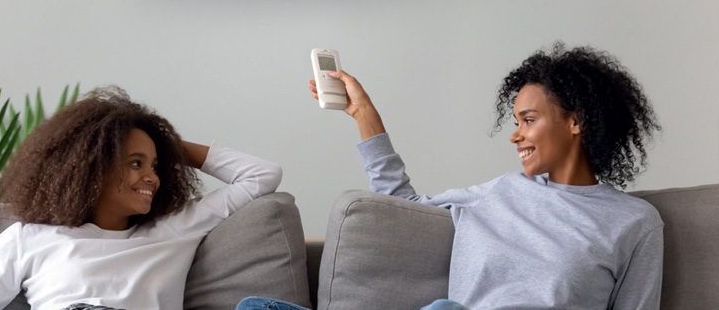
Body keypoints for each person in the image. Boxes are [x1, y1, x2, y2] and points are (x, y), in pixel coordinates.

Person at [238, 42, 663, 310]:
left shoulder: (633, 221)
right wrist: (363, 114)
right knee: (256, 308)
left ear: (577, 120)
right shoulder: (500, 193)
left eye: (528, 120)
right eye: (515, 121)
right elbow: (401, 209)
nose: (515, 135)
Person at [0, 87, 282, 310]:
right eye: (135, 163)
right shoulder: (31, 238)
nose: (152, 176)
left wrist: (167, 145)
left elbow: (261, 175)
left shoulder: (175, 228)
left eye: (156, 165)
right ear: (91, 168)